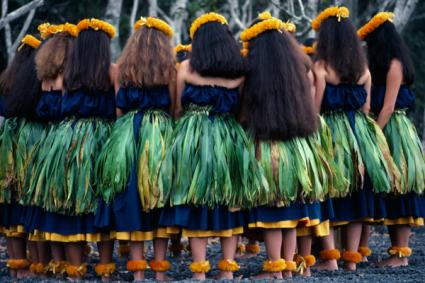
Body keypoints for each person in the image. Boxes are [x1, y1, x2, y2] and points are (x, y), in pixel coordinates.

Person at [159, 12, 266, 280]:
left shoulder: (185, 68)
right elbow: (241, 112)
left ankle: (199, 272)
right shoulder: (240, 73)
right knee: (228, 199)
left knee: (196, 198)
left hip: (192, 136)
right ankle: (227, 269)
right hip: (228, 136)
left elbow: (177, 108)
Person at [240, 13, 334, 279]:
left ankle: (275, 269)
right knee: (292, 208)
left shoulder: (253, 71)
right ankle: (288, 268)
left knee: (272, 207)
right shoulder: (300, 68)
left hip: (267, 147)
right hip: (297, 147)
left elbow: (244, 113)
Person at [25, 19, 117, 280]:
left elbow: (60, 110)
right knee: (102, 201)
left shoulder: (66, 74)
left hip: (69, 140)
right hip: (103, 139)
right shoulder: (112, 70)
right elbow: (119, 110)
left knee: (70, 202)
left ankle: (75, 273)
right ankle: (106, 271)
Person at [312, 6, 399, 271]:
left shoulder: (321, 66)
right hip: (360, 134)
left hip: (332, 134)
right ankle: (351, 258)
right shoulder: (363, 68)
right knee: (357, 191)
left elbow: (315, 109)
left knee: (330, 189)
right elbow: (366, 108)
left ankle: (330, 258)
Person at [95, 16, 176, 281]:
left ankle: (138, 271)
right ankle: (160, 271)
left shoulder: (122, 69)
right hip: (161, 132)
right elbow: (174, 108)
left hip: (129, 132)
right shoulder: (170, 69)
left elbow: (119, 110)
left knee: (132, 199)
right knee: (160, 196)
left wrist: (121, 142)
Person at [359, 12, 425, 267]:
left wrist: (374, 134)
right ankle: (396, 252)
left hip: (394, 130)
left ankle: (401, 254)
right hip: (384, 127)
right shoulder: (383, 64)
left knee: (401, 186)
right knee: (390, 189)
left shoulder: (395, 65)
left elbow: (387, 107)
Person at [20, 23, 77, 279]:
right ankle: (67, 262)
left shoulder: (44, 78)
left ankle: (53, 262)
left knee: (46, 200)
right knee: (64, 199)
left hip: (47, 142)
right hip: (66, 140)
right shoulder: (68, 79)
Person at [0, 34, 42, 278]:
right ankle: (35, 264)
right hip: (30, 140)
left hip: (8, 141)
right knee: (30, 197)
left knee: (11, 197)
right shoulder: (33, 81)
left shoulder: (6, 81)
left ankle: (17, 263)